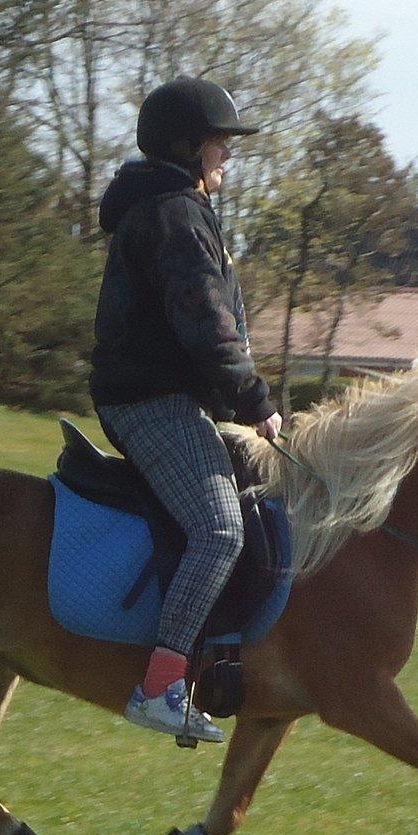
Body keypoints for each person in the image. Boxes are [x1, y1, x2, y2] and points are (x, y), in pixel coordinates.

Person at [90, 76, 282, 744]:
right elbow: (206, 324)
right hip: (150, 400)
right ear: (187, 147)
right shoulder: (174, 214)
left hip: (169, 394)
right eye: (219, 142)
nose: (228, 153)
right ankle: (158, 688)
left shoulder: (177, 207)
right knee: (220, 529)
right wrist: (256, 402)